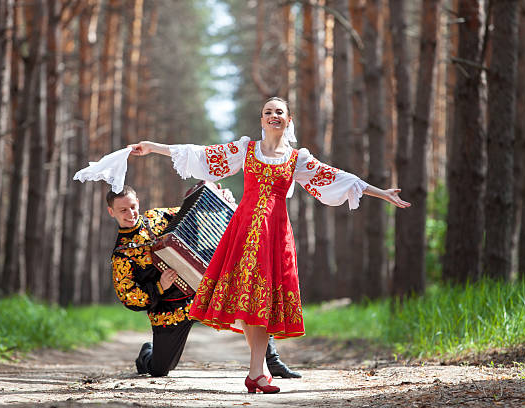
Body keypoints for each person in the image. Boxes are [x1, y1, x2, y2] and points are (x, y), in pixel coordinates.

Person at [128, 97, 410, 393]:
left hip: (274, 235)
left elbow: (337, 178)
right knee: (247, 300)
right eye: (267, 112)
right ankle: (257, 372)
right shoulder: (246, 149)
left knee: (259, 300)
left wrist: (382, 193)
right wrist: (153, 147)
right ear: (261, 120)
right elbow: (202, 154)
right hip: (243, 232)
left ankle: (256, 371)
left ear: (288, 120)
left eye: (279, 112)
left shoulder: (297, 158)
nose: (273, 116)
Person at [107, 184, 300, 378]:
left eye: (132, 207)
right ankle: (147, 355)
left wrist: (221, 198)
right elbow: (128, 296)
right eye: (123, 210)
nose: (130, 213)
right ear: (111, 212)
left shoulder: (157, 216)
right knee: (160, 370)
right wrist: (159, 287)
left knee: (248, 297)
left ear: (138, 202)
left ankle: (271, 360)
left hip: (203, 287)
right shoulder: (122, 255)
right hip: (170, 310)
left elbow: (196, 210)